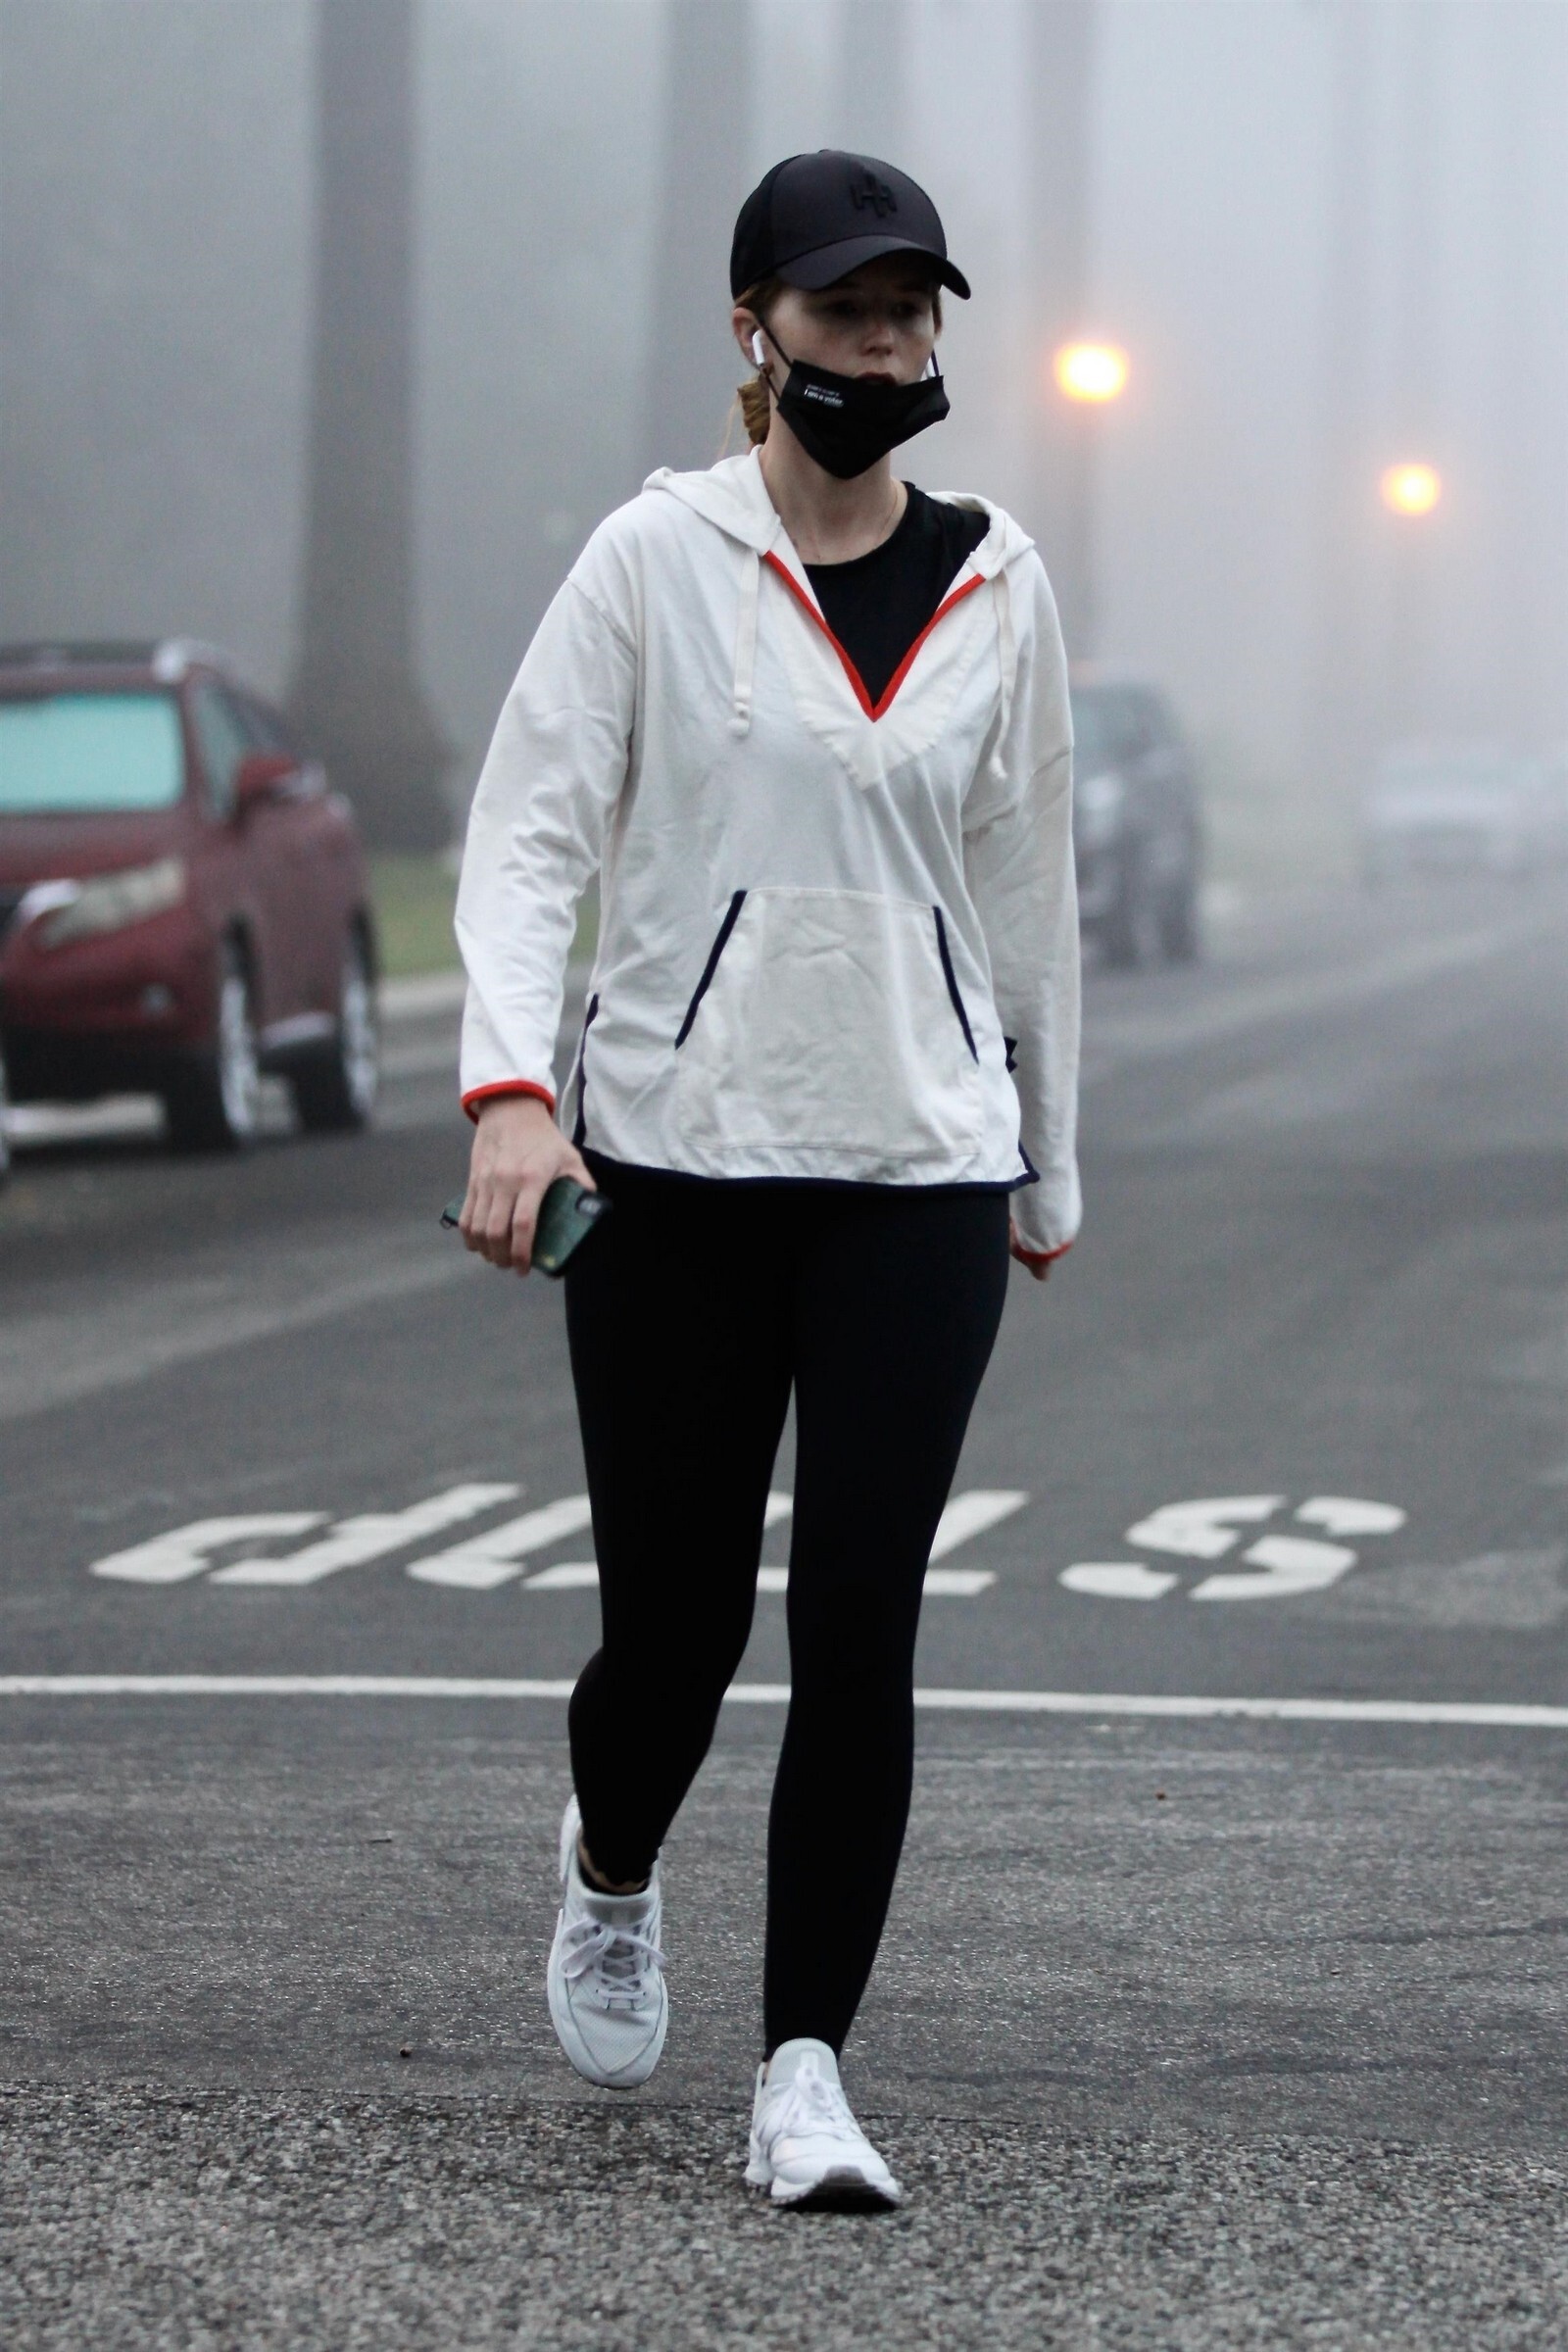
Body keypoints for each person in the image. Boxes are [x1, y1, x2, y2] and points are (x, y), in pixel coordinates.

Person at [455, 148, 1080, 2210]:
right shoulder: (655, 559)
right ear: (756, 329)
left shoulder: (999, 577)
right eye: (843, 311)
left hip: (916, 1163)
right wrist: (508, 1095)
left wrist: (1043, 1151)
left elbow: (1026, 883)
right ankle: (612, 1860)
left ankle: (803, 2068)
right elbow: (530, 835)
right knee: (675, 1634)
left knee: (864, 1618)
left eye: (911, 312)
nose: (885, 347)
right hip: (678, 1164)